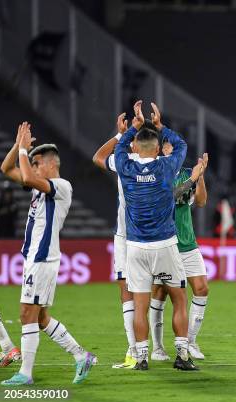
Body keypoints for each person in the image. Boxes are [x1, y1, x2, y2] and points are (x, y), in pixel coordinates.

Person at [0, 122, 95, 386]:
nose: (33, 167)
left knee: (26, 314)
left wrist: (23, 152)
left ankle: (25, 374)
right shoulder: (39, 189)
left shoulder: (62, 186)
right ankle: (80, 356)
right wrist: (18, 147)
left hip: (42, 259)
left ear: (50, 164)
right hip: (36, 259)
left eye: (36, 162)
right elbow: (6, 169)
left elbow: (28, 176)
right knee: (40, 318)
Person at [115, 101, 196, 371]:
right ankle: (182, 355)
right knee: (179, 298)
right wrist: (160, 126)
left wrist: (133, 129)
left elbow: (118, 149)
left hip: (136, 247)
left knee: (140, 304)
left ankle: (141, 357)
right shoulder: (166, 168)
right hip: (165, 244)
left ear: (136, 149)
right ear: (158, 149)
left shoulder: (126, 168)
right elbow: (181, 145)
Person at [149, 143, 210, 362]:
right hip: (166, 243)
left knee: (201, 289)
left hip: (187, 242)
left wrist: (200, 176)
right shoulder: (155, 172)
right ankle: (157, 347)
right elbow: (170, 198)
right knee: (161, 292)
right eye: (167, 147)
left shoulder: (187, 173)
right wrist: (193, 178)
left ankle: (191, 341)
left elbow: (201, 202)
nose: (171, 152)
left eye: (174, 148)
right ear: (159, 150)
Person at [92, 112, 139, 369]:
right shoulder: (157, 161)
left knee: (134, 291)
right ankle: (138, 350)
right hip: (136, 236)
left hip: (134, 236)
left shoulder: (125, 162)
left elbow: (98, 157)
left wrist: (121, 133)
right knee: (137, 290)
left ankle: (137, 350)